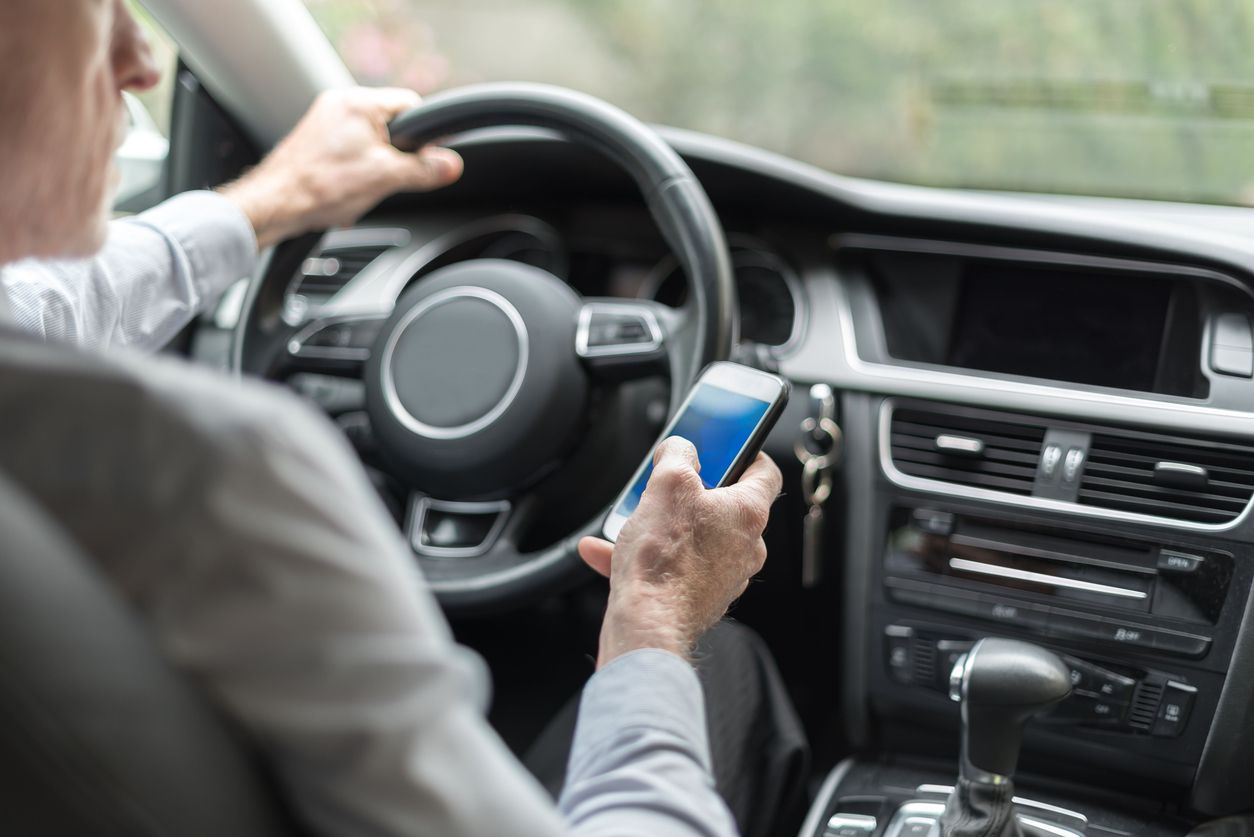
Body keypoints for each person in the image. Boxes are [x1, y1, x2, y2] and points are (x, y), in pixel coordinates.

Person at [0, 2, 805, 837]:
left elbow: (36, 309)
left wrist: (278, 198)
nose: (143, 61)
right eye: (96, 11)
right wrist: (653, 613)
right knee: (724, 666)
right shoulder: (217, 475)